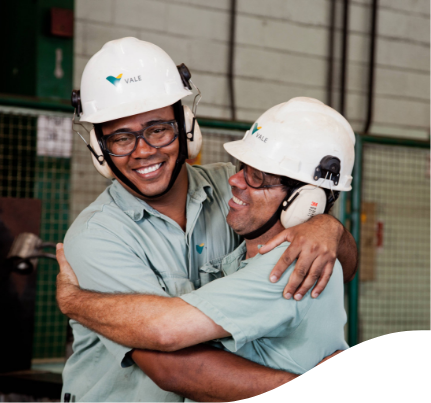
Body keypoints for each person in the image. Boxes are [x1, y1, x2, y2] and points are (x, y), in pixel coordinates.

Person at [59, 37, 358, 402]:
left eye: (157, 129)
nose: (143, 151)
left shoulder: (235, 195)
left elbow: (339, 264)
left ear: (186, 126)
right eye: (121, 138)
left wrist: (328, 227)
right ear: (100, 152)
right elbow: (171, 365)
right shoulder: (96, 237)